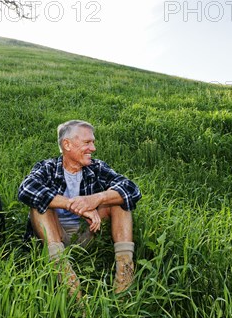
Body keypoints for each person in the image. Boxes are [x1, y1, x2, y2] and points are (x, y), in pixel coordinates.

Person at [18, 120, 142, 296]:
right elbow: (26, 189)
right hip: (56, 236)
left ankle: (124, 274)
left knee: (120, 200)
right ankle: (65, 274)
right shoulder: (48, 167)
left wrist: (96, 199)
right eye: (87, 143)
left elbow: (132, 189)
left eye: (93, 142)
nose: (93, 148)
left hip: (89, 233)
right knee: (39, 207)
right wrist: (74, 205)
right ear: (67, 144)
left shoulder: (96, 167)